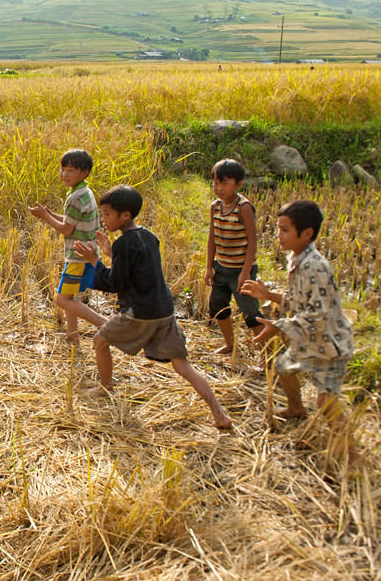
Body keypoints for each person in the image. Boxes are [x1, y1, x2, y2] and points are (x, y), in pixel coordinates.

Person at [74, 185, 232, 429]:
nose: (103, 219)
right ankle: (218, 413)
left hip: (140, 312)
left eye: (106, 214)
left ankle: (105, 387)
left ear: (125, 215)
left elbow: (115, 282)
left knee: (100, 341)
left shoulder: (124, 244)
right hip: (163, 310)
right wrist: (110, 252)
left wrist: (95, 260)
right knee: (182, 365)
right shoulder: (148, 235)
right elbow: (135, 270)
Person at [241, 200, 355, 421]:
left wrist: (278, 325)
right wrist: (269, 296)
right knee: (284, 366)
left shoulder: (316, 266)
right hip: (310, 335)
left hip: (331, 341)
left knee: (326, 402)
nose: (278, 235)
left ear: (307, 234)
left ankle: (349, 452)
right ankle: (296, 409)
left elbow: (318, 315)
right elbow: (299, 300)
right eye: (277, 228)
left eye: (285, 230)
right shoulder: (296, 259)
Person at [29, 148, 106, 344]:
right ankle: (73, 336)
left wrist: (45, 217)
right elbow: (72, 221)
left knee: (63, 299)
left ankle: (104, 324)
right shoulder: (83, 192)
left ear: (85, 172)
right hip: (85, 254)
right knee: (70, 297)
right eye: (63, 169)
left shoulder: (75, 197)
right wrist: (51, 213)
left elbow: (67, 230)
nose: (64, 174)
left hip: (78, 257)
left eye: (71, 170)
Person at [204, 158, 262, 354]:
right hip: (221, 268)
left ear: (238, 185)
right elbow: (212, 238)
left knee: (250, 312)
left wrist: (246, 272)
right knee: (218, 307)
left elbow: (252, 241)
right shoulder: (216, 206)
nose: (219, 188)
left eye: (224, 183)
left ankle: (265, 352)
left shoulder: (243, 207)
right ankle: (230, 344)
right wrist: (208, 267)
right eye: (216, 183)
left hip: (240, 269)